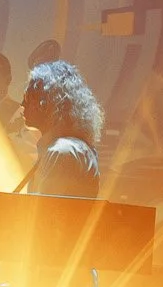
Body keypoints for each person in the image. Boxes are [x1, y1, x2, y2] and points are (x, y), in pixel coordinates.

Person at [20, 58, 102, 198]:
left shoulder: (61, 151)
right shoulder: (68, 148)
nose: (22, 104)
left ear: (45, 102)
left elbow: (45, 210)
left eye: (27, 97)